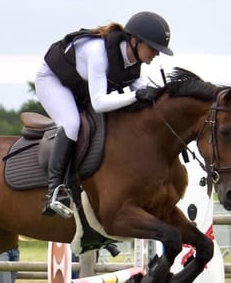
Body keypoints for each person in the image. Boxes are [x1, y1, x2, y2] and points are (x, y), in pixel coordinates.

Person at [35, 11, 173, 218]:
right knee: (72, 124)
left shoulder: (133, 62)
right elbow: (99, 103)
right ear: (134, 41)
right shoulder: (97, 52)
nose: (156, 54)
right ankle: (54, 190)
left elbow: (144, 92)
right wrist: (137, 96)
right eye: (153, 48)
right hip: (53, 80)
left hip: (79, 87)